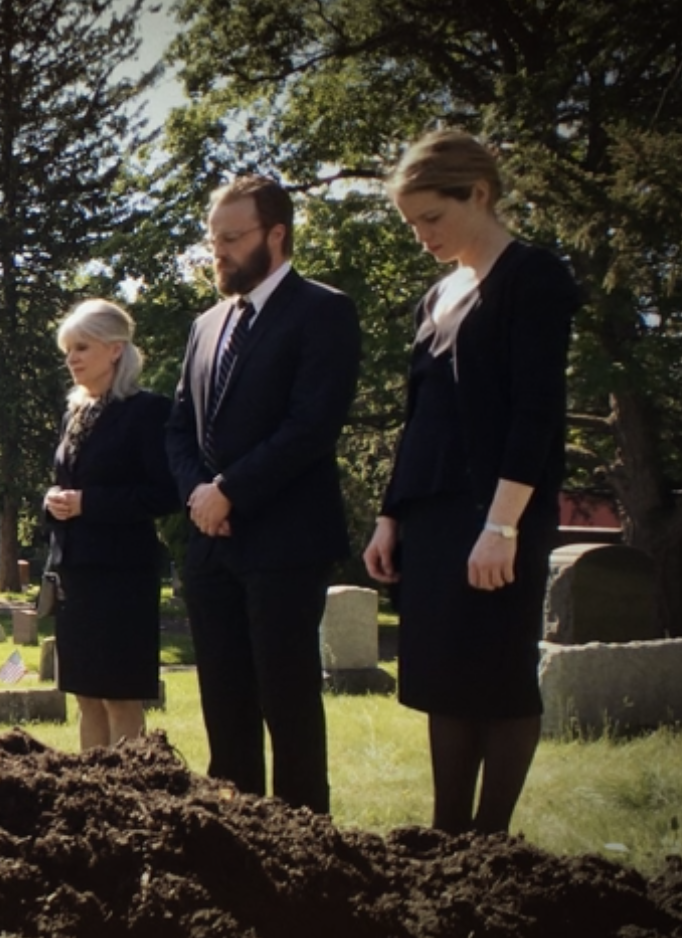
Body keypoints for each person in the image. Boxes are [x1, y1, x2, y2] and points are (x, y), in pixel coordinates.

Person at [363, 130, 579, 835]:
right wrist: (391, 516)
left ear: (478, 194)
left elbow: (536, 411)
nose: (422, 235)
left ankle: (491, 847)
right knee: (444, 677)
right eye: (412, 223)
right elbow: (419, 414)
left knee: (496, 673)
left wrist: (501, 525)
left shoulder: (534, 277)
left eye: (433, 217)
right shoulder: (437, 297)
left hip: (499, 513)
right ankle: (447, 834)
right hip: (431, 515)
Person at [163, 175, 361, 814]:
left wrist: (231, 491)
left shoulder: (323, 311)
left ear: (275, 235)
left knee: (288, 701)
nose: (216, 251)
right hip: (210, 547)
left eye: (230, 237)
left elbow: (311, 424)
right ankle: (236, 834)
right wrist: (199, 493)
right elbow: (178, 428)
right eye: (212, 239)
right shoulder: (205, 325)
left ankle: (305, 841)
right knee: (225, 704)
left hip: (284, 540)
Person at [43, 299, 180, 752]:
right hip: (77, 573)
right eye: (68, 350)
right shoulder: (74, 414)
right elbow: (70, 484)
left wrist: (89, 503)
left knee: (120, 696)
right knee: (84, 696)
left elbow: (164, 494)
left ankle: (129, 795)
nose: (72, 358)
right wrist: (54, 501)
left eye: (82, 346)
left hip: (123, 575)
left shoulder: (147, 411)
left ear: (116, 350)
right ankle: (90, 795)